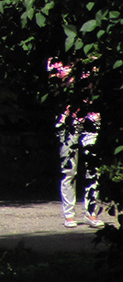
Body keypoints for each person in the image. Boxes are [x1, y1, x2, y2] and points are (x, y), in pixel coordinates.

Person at [48, 58, 104, 228]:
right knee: (69, 169)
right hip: (68, 120)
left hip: (91, 117)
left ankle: (91, 213)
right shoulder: (57, 62)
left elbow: (99, 88)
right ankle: (69, 214)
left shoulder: (93, 60)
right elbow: (56, 90)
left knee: (93, 168)